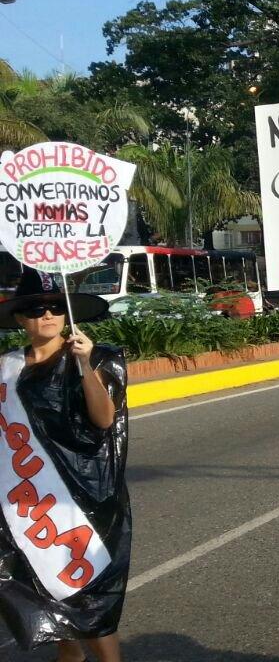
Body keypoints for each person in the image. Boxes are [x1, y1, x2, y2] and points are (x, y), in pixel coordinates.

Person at [0, 268, 130, 662]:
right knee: (50, 600)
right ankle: (70, 656)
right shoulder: (6, 367)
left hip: (82, 500)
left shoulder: (95, 357)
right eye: (36, 309)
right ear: (20, 319)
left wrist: (84, 365)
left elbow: (104, 419)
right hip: (26, 498)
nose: (48, 315)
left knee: (89, 601)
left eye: (56, 307)